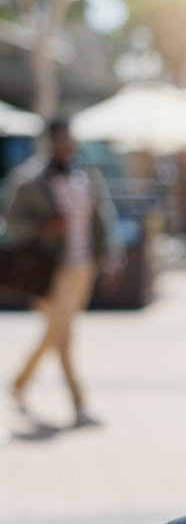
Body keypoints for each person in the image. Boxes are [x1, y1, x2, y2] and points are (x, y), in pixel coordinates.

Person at [4, 119, 119, 426]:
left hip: (83, 266)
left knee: (56, 331)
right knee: (64, 334)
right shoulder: (31, 179)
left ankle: (18, 383)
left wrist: (108, 257)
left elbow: (101, 218)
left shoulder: (85, 175)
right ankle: (79, 402)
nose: (67, 145)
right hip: (50, 268)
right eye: (61, 140)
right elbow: (13, 221)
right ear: (51, 143)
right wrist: (44, 227)